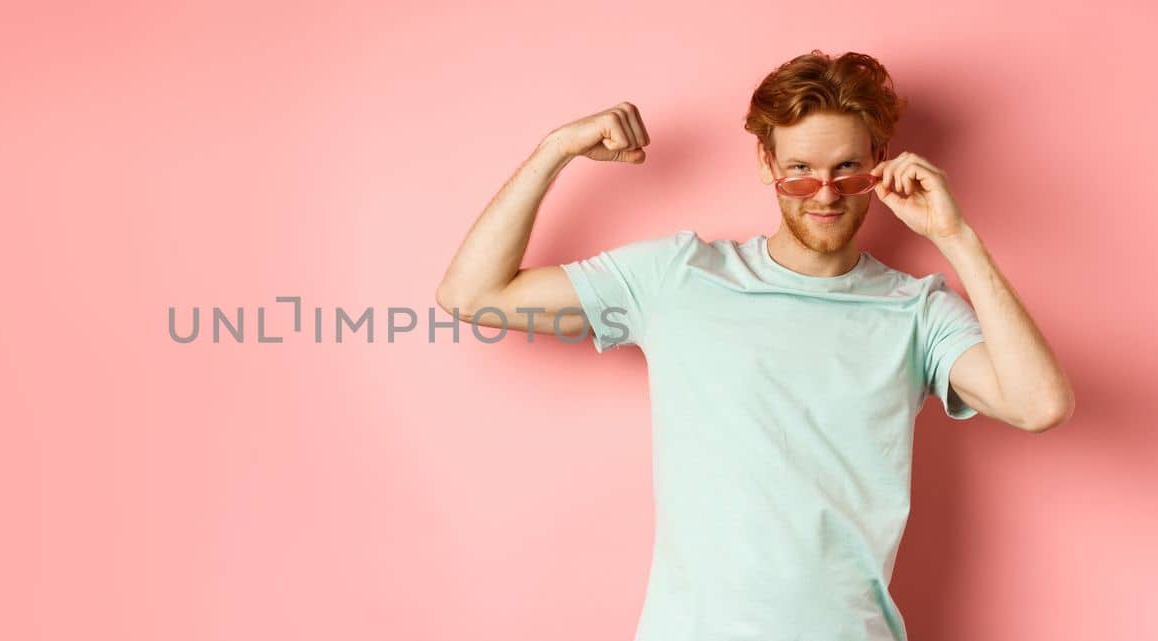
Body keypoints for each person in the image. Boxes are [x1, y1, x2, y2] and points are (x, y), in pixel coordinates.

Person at [434, 50, 1074, 641]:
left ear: (878, 160)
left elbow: (1039, 404)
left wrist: (955, 236)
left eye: (846, 170)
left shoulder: (917, 311)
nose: (824, 195)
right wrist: (555, 150)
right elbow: (473, 294)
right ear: (767, 164)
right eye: (800, 171)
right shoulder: (678, 278)